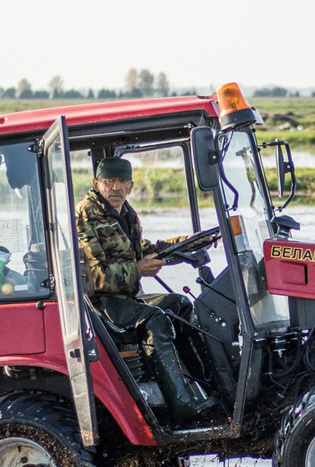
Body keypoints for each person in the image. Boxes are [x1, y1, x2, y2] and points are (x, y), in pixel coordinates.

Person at [76, 156, 215, 423]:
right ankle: (181, 404)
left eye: (122, 182)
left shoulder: (126, 214)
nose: (116, 188)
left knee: (180, 305)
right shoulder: (85, 215)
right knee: (155, 319)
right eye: (109, 181)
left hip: (127, 296)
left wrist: (191, 243)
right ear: (96, 183)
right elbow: (94, 277)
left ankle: (209, 387)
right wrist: (138, 269)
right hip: (100, 303)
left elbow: (146, 251)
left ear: (130, 186)